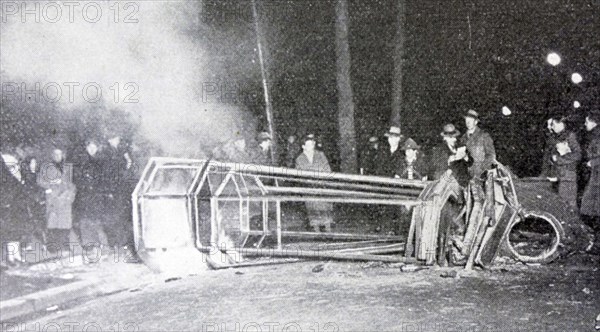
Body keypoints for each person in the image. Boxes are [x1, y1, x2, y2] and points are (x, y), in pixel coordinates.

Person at [73, 139, 108, 260]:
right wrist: (85, 183)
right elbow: (76, 178)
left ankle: (99, 247)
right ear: (86, 148)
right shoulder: (81, 161)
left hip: (97, 196)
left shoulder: (101, 161)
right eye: (90, 147)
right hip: (85, 196)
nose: (92, 149)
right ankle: (90, 248)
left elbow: (104, 178)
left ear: (97, 148)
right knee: (85, 222)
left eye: (94, 147)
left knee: (96, 222)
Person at [295, 134, 333, 232]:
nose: (311, 147)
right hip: (309, 188)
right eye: (308, 145)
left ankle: (328, 230)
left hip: (322, 186)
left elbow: (327, 169)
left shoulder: (320, 155)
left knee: (325, 207)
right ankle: (316, 231)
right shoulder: (299, 159)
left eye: (312, 144)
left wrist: (321, 177)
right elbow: (299, 175)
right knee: (312, 209)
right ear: (303, 146)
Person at [103, 132, 134, 250]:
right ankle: (114, 242)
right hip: (112, 189)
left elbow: (128, 166)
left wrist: (128, 161)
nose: (117, 141)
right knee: (113, 216)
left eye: (118, 139)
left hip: (122, 188)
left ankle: (123, 242)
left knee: (123, 216)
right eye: (115, 139)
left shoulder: (121, 151)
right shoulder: (107, 153)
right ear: (110, 140)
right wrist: (109, 190)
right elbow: (106, 173)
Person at [549, 116, 581, 211]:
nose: (552, 127)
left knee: (569, 207)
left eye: (553, 124)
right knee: (561, 206)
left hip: (568, 177)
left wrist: (558, 159)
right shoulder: (557, 137)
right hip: (560, 176)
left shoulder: (570, 136)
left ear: (561, 124)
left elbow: (577, 155)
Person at [581, 110, 600, 248]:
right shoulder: (594, 135)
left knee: (592, 207)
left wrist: (591, 162)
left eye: (587, 121)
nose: (585, 124)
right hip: (595, 175)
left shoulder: (597, 136)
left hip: (597, 176)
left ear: (594, 122)